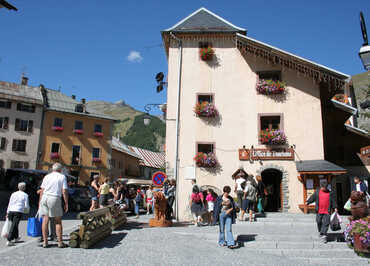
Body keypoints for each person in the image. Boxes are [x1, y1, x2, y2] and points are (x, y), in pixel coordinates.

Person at [39, 163, 68, 248]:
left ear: (52, 169)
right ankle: (60, 242)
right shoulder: (62, 177)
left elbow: (42, 190)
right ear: (60, 169)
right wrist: (66, 203)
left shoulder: (47, 176)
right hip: (54, 197)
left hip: (44, 197)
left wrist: (40, 202)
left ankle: (45, 242)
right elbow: (64, 191)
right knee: (58, 221)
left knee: (45, 220)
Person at [5, 182, 30, 246]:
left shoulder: (13, 194)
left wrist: (7, 212)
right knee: (14, 225)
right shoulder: (25, 195)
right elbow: (26, 205)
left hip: (11, 210)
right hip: (18, 211)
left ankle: (16, 237)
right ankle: (9, 239)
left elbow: (10, 203)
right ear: (24, 188)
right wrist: (27, 211)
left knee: (15, 224)